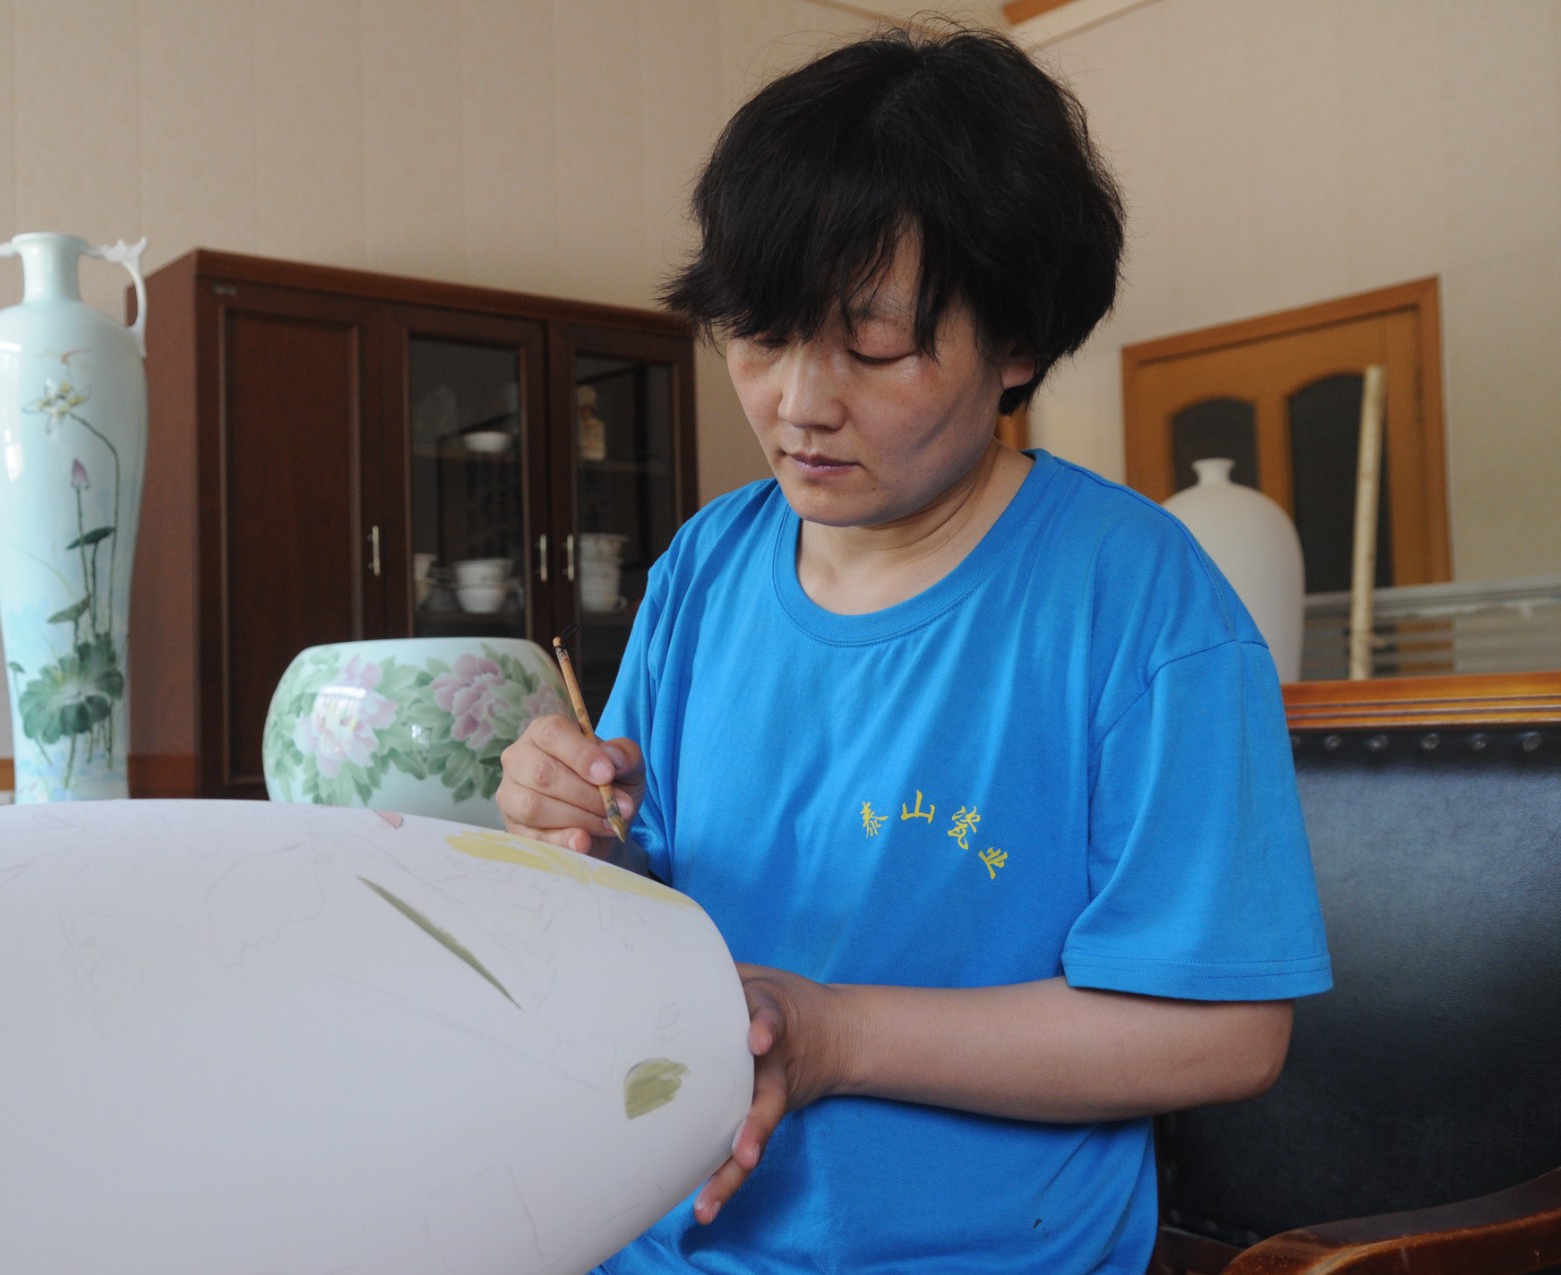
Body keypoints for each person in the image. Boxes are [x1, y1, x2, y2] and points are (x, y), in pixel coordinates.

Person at [497, 22, 1332, 1275]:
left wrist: (838, 1035)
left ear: (1017, 344)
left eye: (875, 346)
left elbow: (1226, 1035)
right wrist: (574, 830)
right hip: (654, 1238)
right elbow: (643, 894)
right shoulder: (706, 568)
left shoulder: (1135, 598)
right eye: (760, 334)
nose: (799, 404)